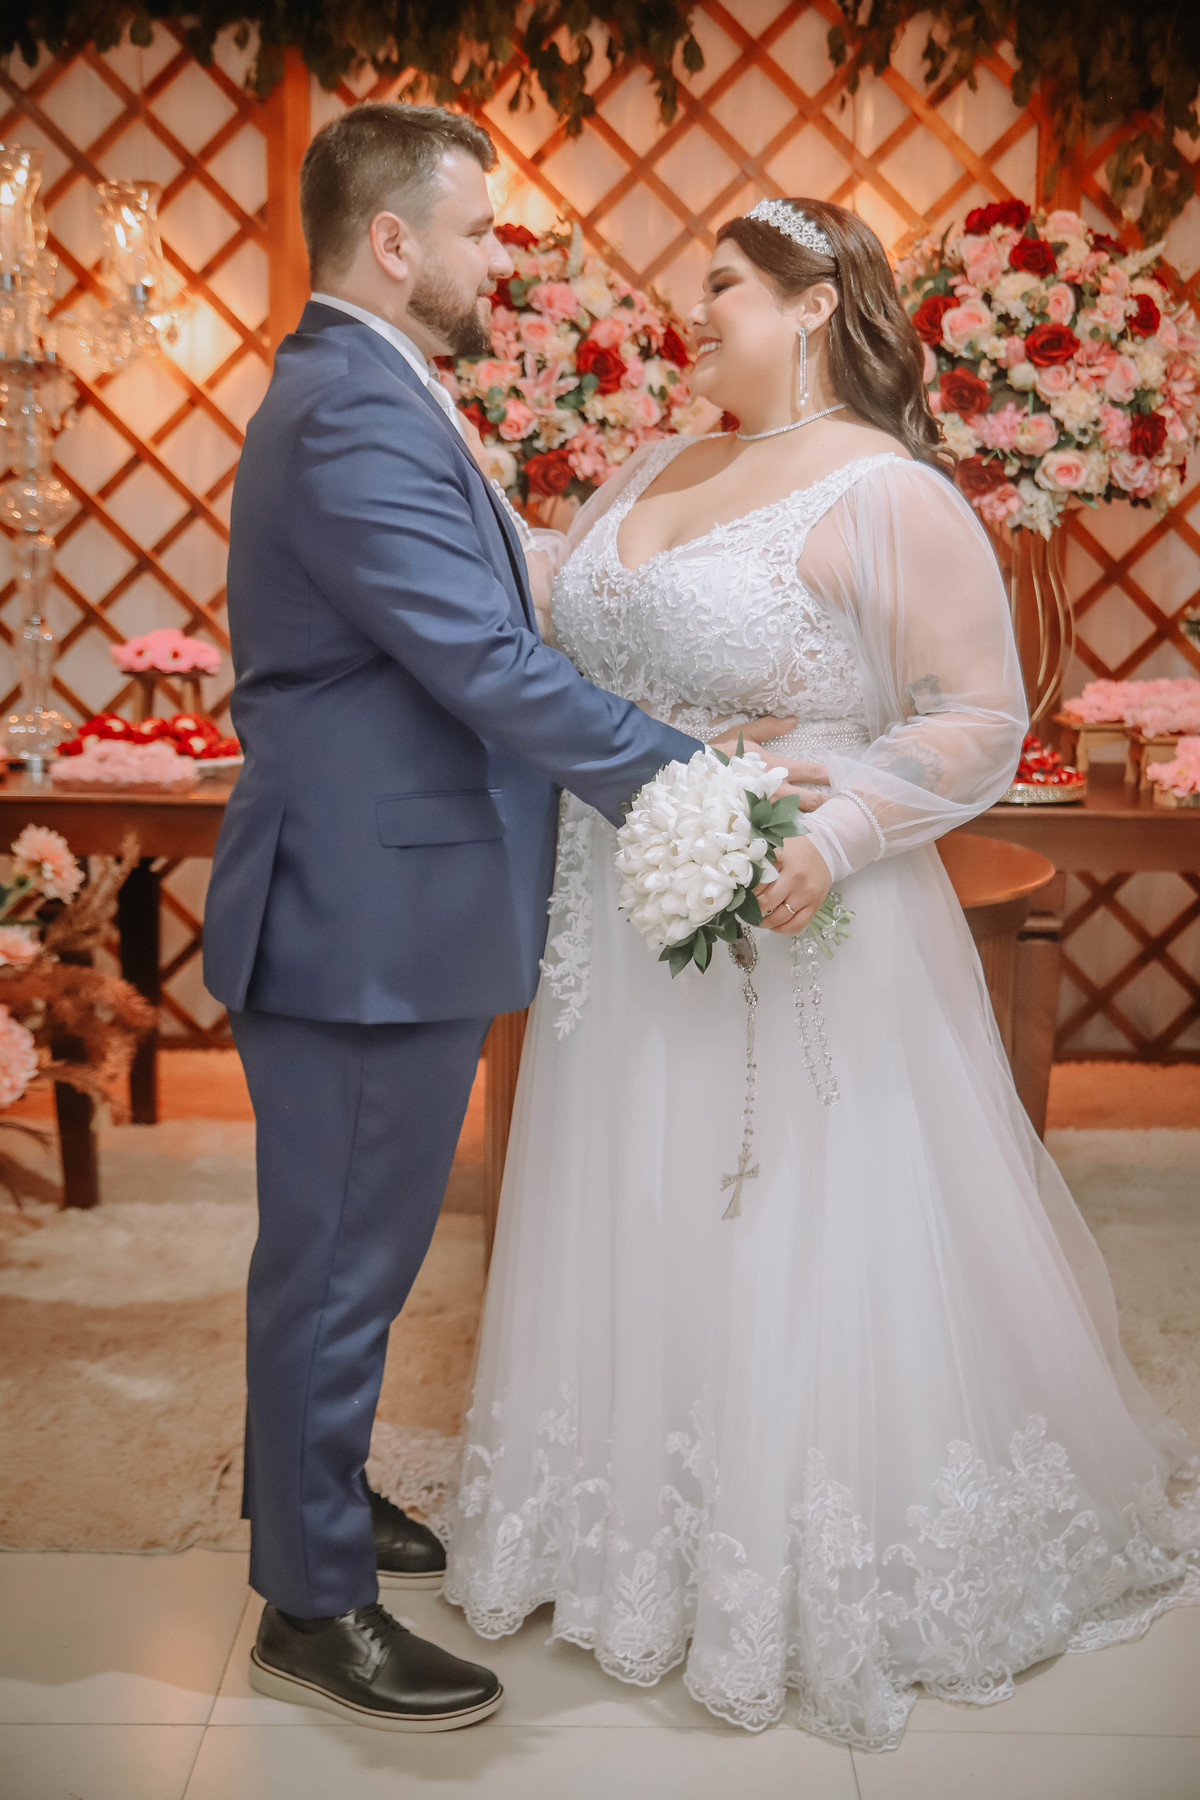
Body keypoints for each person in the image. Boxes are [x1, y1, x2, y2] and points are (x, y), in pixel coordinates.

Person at [444, 197, 1200, 1751]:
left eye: (723, 283)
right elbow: (565, 614)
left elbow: (977, 718)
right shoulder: (657, 463)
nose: (695, 310)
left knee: (779, 1217)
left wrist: (840, 827)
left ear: (812, 303)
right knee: (628, 1196)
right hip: (619, 919)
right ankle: (620, 1526)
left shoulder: (890, 492)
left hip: (794, 912)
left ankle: (794, 1552)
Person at [201, 105, 799, 1734]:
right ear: (393, 241)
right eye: (475, 232)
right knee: (339, 1262)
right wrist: (690, 775)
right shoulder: (350, 410)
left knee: (356, 1252)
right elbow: (480, 661)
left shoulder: (376, 385)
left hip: (390, 893)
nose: (495, 259)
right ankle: (310, 1605)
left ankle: (314, 1497)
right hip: (358, 912)